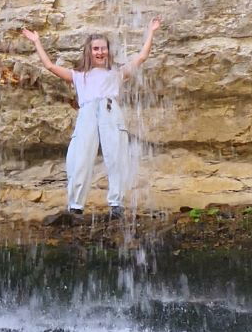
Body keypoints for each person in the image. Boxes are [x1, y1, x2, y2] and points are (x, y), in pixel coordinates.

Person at [21, 20, 161, 216]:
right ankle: (76, 206)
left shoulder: (117, 74)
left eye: (103, 48)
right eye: (96, 49)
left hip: (110, 110)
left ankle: (116, 204)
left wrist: (150, 32)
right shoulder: (79, 76)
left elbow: (142, 57)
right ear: (89, 52)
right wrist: (36, 41)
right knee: (80, 157)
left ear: (108, 51)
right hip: (87, 113)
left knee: (116, 155)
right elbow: (50, 66)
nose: (100, 52)